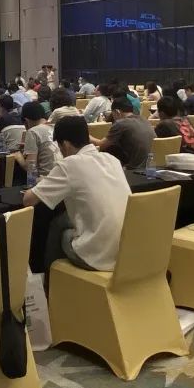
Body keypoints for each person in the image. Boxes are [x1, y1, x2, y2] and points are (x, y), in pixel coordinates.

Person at [23, 116, 131, 273]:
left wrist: (41, 183)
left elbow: (28, 200)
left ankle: (50, 276)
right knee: (67, 219)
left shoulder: (69, 164)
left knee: (58, 226)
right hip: (125, 252)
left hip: (97, 256)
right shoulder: (111, 159)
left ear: (65, 145)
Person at [94, 96, 154, 169]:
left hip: (132, 169)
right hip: (150, 167)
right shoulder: (145, 120)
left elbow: (100, 146)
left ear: (117, 112)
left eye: (113, 114)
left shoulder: (121, 123)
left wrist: (86, 135)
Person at [10, 101, 59, 177]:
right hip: (61, 175)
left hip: (45, 179)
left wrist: (18, 156)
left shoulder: (33, 132)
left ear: (26, 120)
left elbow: (30, 168)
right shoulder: (56, 127)